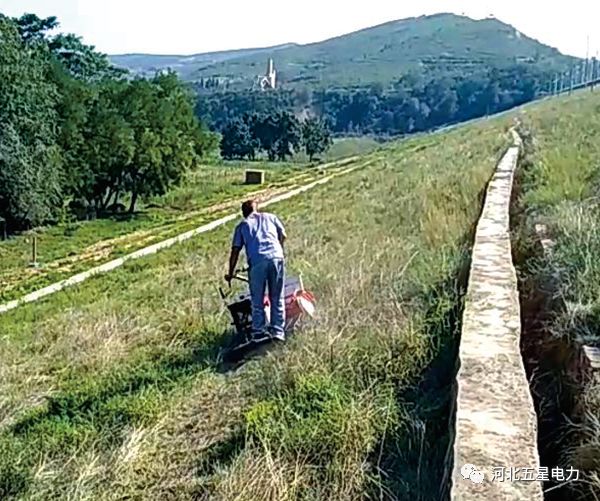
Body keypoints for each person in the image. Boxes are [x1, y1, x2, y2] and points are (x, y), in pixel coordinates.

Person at [225, 200, 287, 342]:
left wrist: (230, 273)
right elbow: (283, 235)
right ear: (256, 208)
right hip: (277, 258)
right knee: (277, 297)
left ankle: (259, 332)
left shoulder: (242, 226)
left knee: (257, 300)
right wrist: (279, 250)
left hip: (257, 262)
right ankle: (278, 331)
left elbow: (235, 251)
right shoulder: (271, 217)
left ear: (243, 213)